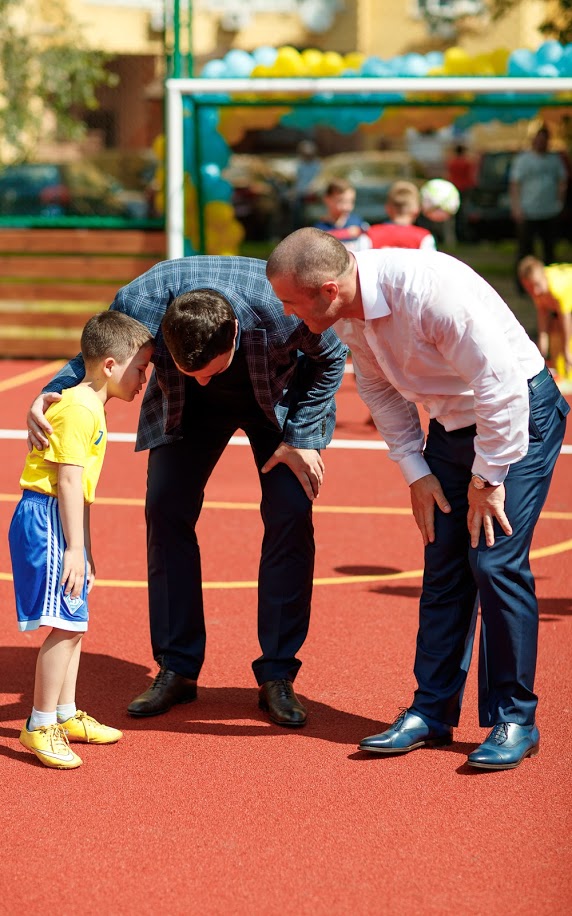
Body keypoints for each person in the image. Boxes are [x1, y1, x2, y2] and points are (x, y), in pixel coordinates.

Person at [266, 228, 569, 770]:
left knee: (495, 562)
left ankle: (515, 718)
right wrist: (415, 470)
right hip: (452, 430)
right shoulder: (348, 311)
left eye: (290, 301)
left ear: (328, 289)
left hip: (516, 417)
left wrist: (487, 479)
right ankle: (431, 711)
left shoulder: (429, 292)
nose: (285, 312)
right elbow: (379, 389)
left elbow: (500, 385)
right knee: (445, 560)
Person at [27, 256, 347, 729]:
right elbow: (95, 358)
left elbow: (333, 357)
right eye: (185, 367)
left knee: (290, 515)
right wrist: (50, 391)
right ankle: (176, 667)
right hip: (186, 412)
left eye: (209, 372)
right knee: (165, 510)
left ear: (235, 335)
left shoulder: (281, 309)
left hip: (277, 403)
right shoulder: (142, 302)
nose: (203, 378)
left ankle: (277, 674)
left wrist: (300, 435)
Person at [10, 311, 154, 769]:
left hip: (61, 519)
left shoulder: (91, 407)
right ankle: (38, 725)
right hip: (47, 517)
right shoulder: (78, 408)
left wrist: (84, 548)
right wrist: (73, 546)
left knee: (76, 618)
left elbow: (82, 491)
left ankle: (65, 714)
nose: (144, 378)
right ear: (110, 365)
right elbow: (69, 482)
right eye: (140, 367)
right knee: (66, 622)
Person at [509, 126, 568, 290]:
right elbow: (515, 185)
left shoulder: (554, 160)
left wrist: (559, 203)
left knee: (549, 251)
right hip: (528, 211)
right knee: (525, 251)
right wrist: (516, 207)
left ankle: (549, 285)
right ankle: (522, 285)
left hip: (549, 211)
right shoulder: (523, 160)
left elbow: (562, 182)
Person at [518, 255, 572, 379]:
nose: (535, 291)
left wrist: (567, 350)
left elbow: (566, 320)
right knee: (554, 332)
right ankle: (562, 373)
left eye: (537, 285)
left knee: (562, 336)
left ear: (544, 276)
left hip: (566, 307)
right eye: (530, 288)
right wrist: (543, 341)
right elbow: (543, 314)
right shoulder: (538, 288)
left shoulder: (558, 288)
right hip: (563, 309)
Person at [366, 180, 436, 251]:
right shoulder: (424, 237)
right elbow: (430, 261)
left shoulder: (370, 234)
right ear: (417, 209)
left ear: (387, 208)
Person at [313, 178, 371, 252]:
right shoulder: (320, 228)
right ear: (327, 199)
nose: (347, 207)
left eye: (351, 201)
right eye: (341, 201)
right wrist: (346, 233)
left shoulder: (357, 222)